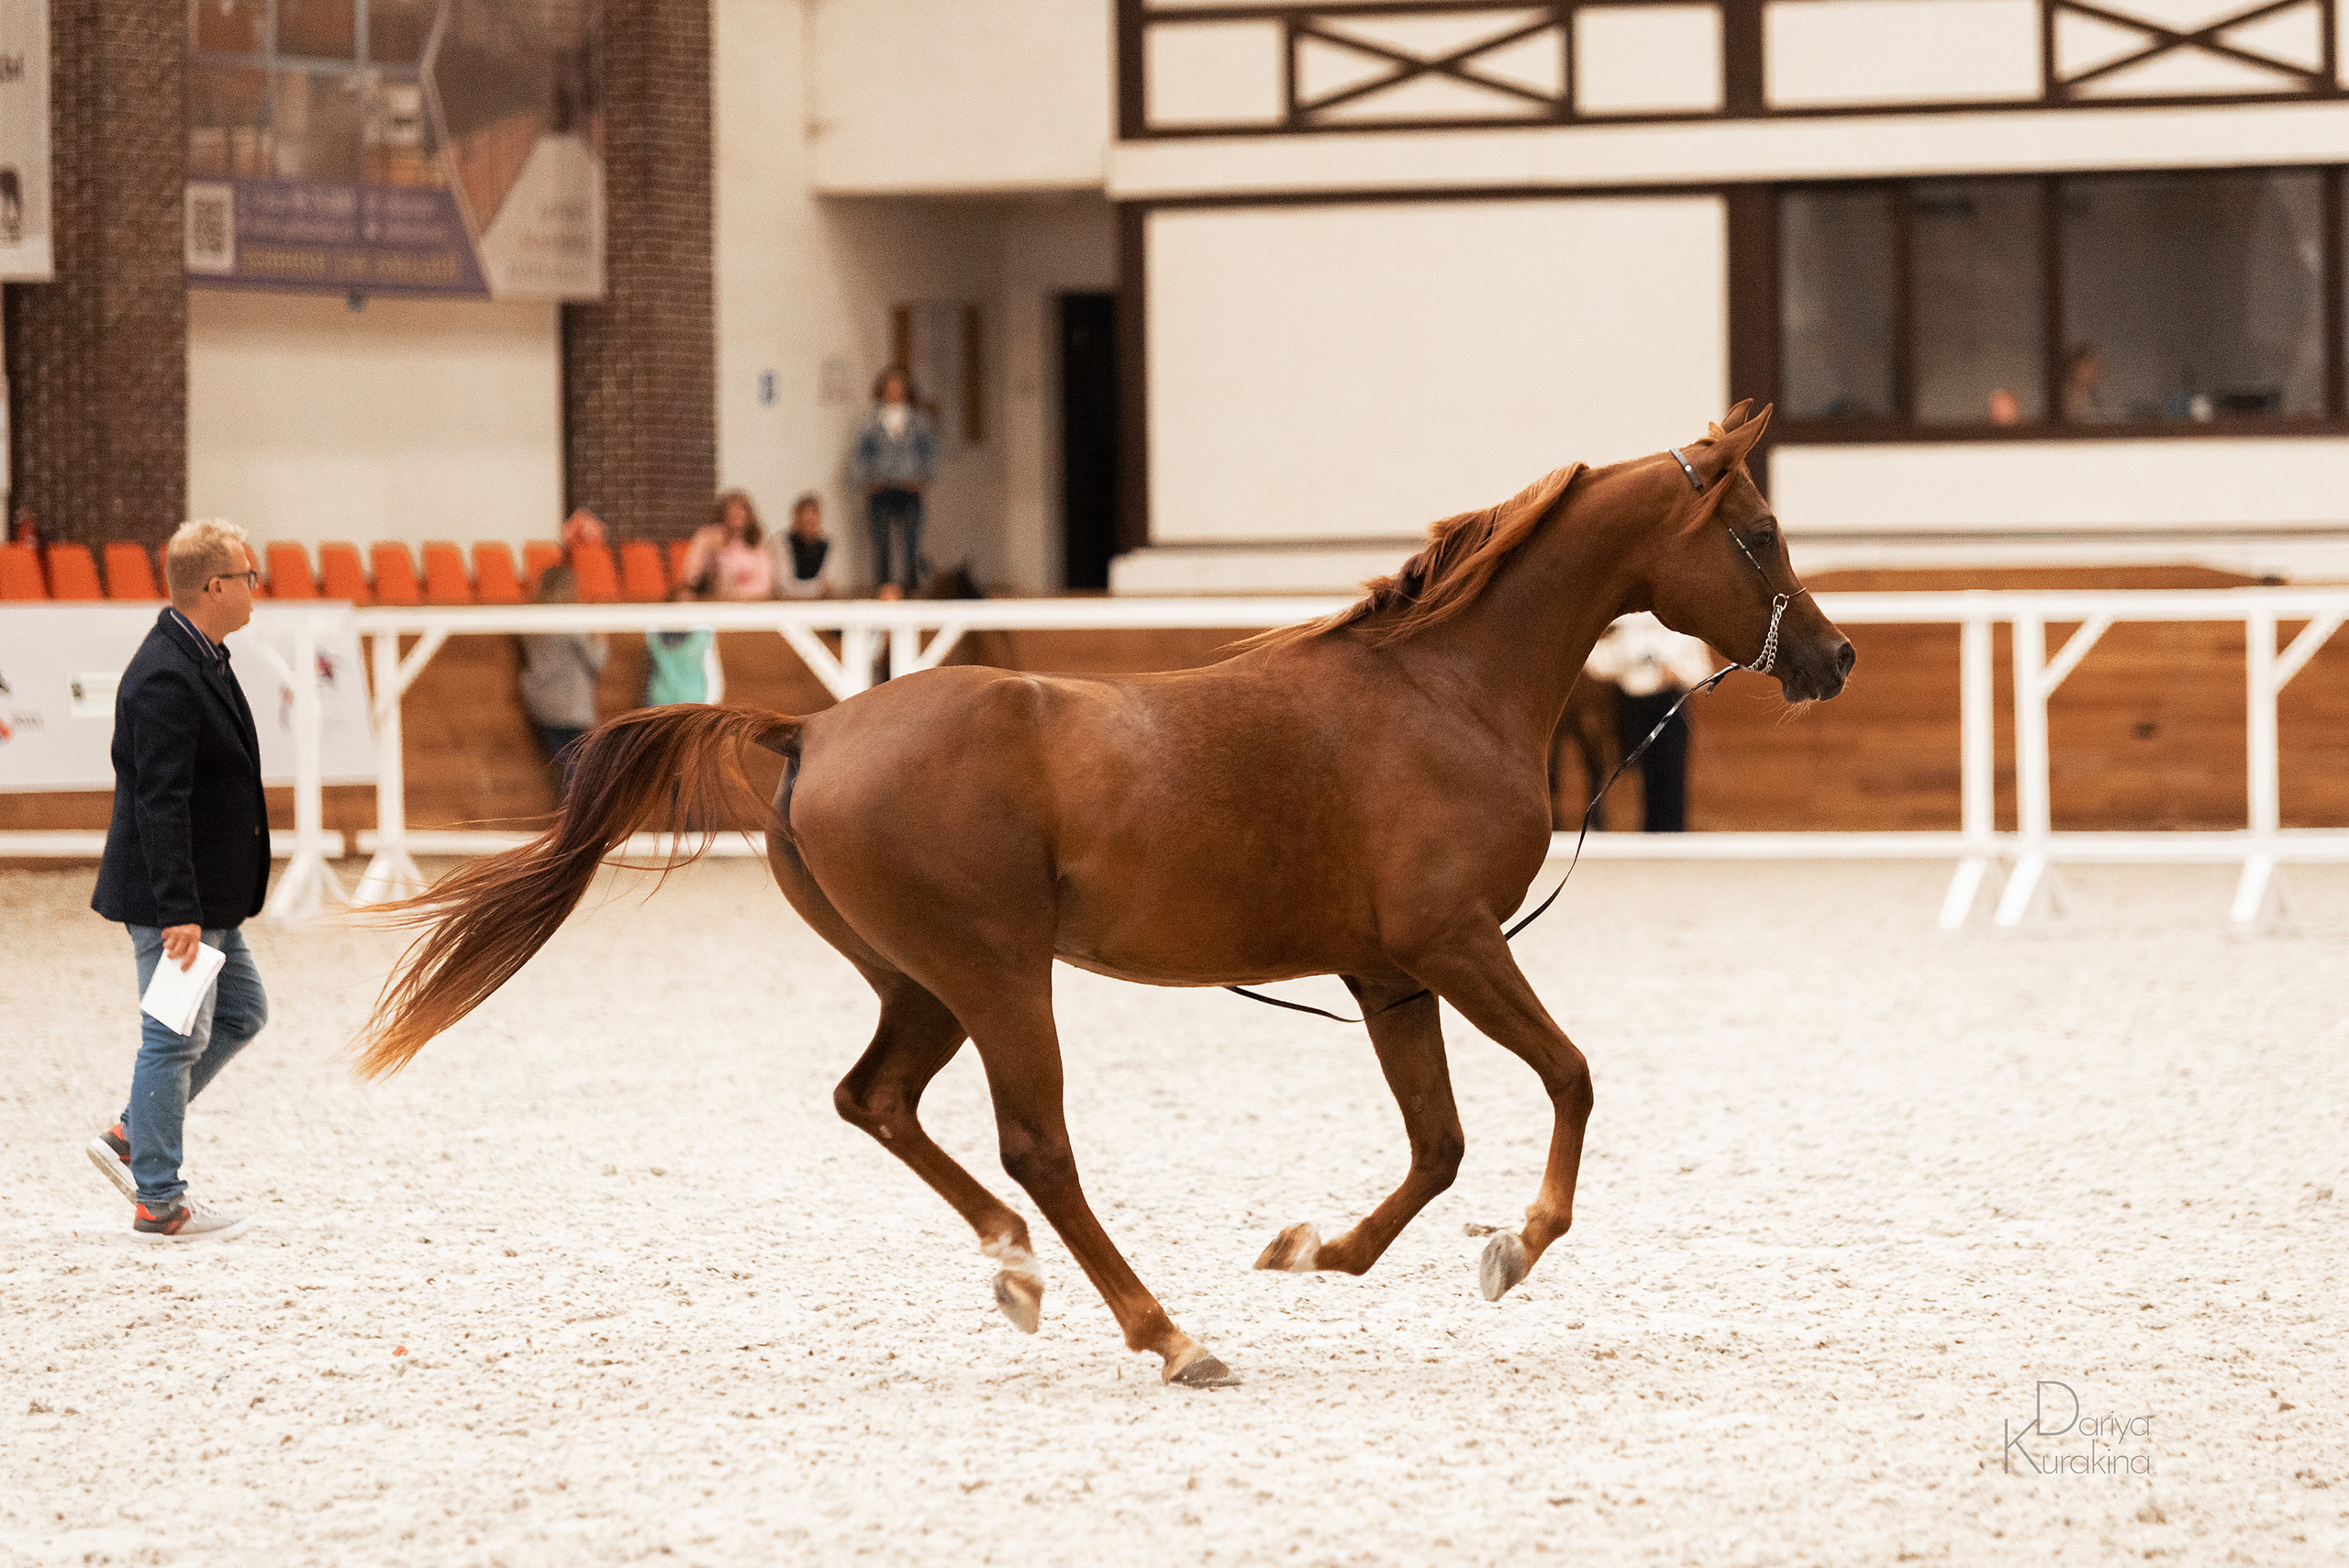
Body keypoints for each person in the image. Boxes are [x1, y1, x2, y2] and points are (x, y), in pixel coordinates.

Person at [86, 518, 272, 1241]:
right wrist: (179, 911)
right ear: (215, 585)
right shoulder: (166, 674)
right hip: (183, 900)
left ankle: (135, 1131)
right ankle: (159, 1200)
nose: (256, 588)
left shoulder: (202, 656)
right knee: (173, 1036)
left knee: (241, 1012)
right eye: (248, 576)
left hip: (211, 896)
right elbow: (159, 803)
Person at [1583, 612, 1716, 832]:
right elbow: (1599, 664)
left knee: (1673, 772)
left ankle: (1674, 830)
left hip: (1671, 705)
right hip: (1635, 707)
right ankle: (1650, 831)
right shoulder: (1628, 627)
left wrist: (1677, 674)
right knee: (1646, 774)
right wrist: (1629, 668)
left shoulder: (1684, 631)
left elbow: (1703, 674)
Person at [850, 366, 937, 599]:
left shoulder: (919, 422)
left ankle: (911, 587)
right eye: (890, 386)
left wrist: (923, 478)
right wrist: (867, 480)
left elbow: (931, 454)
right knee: (882, 543)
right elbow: (859, 455)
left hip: (909, 488)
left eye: (899, 386)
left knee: (910, 542)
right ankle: (884, 588)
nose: (894, 391)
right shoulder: (870, 423)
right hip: (882, 488)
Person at [518, 563, 607, 786]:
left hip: (541, 703)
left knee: (571, 765)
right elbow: (596, 659)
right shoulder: (570, 620)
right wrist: (600, 634)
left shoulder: (532, 618)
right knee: (579, 770)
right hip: (570, 706)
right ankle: (573, 819)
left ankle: (572, 817)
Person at [680, 490, 774, 601]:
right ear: (722, 514)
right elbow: (690, 578)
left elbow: (764, 584)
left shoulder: (755, 544)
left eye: (741, 509)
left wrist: (736, 597)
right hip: (711, 602)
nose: (736, 513)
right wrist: (707, 550)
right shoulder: (707, 537)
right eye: (731, 509)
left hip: (747, 604)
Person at [644, 584, 724, 706]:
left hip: (695, 702)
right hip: (660, 702)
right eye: (678, 603)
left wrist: (711, 703)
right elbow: (650, 670)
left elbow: (712, 669)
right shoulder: (654, 631)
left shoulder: (703, 632)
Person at [776, 492, 831, 600]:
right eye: (805, 513)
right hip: (787, 603)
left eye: (814, 513)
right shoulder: (783, 542)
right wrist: (815, 589)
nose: (810, 518)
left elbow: (827, 583)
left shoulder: (825, 544)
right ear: (797, 516)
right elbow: (783, 585)